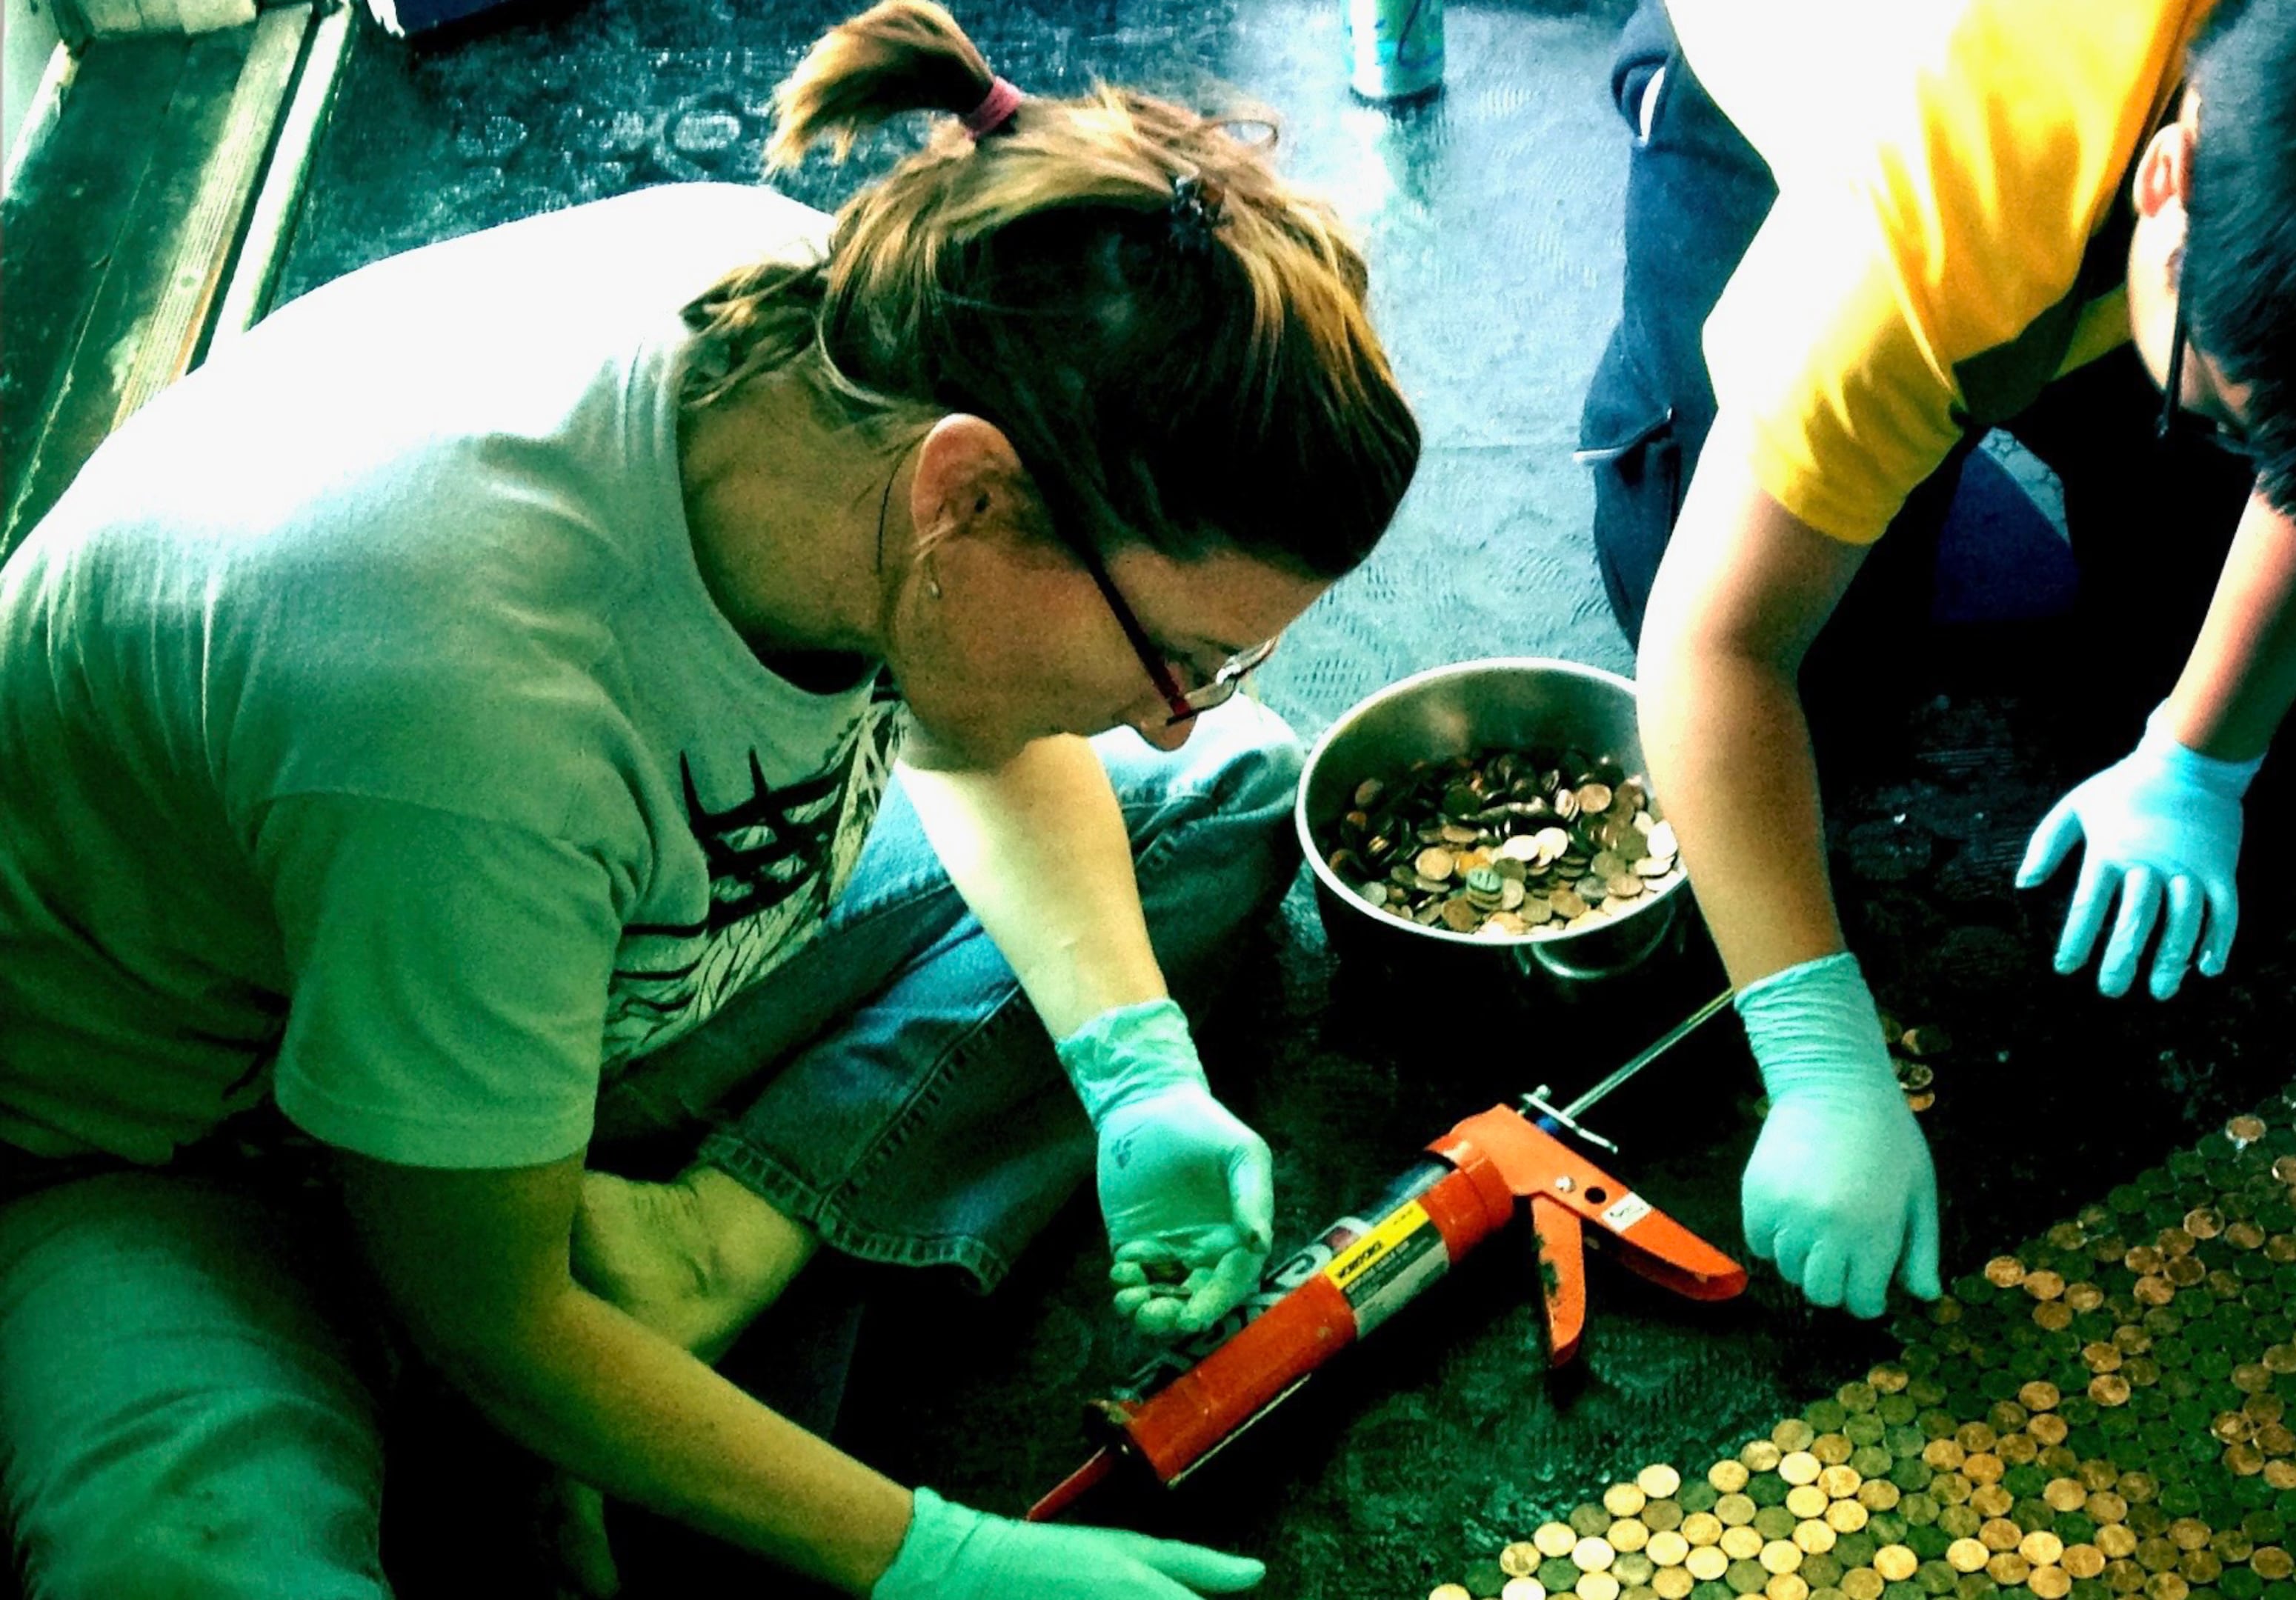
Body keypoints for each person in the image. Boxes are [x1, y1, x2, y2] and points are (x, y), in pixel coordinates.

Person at [0, 1, 1420, 1594]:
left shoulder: (852, 345)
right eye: (1175, 659)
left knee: (1227, 794)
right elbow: (497, 1320)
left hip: (503, 961)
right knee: (204, 1567)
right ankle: (529, 1313)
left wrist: (1134, 1066)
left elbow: (979, 740)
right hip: (165, 1140)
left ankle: (698, 1248)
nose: (1163, 725)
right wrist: (930, 1558)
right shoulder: (471, 709)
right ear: (968, 492)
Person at [1587, 0, 2296, 1319]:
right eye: (2229, 419)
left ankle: (1985, 433)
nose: (2266, 479)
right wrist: (1819, 1059)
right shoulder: (1917, 211)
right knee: (1805, 655)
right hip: (1785, 82)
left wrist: (2202, 753)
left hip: (2128, 241)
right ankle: (1728, 415)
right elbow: (1719, 648)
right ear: (2170, 182)